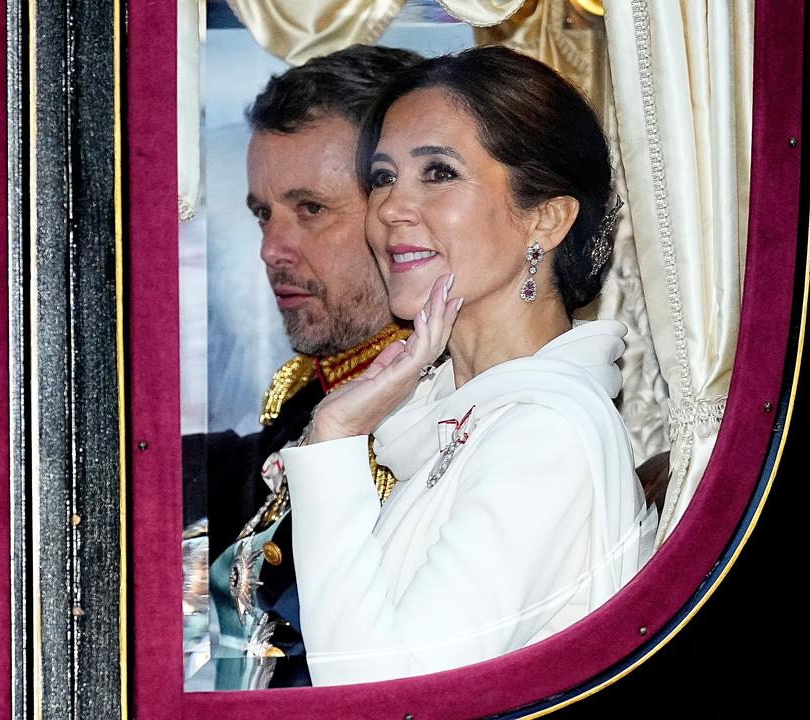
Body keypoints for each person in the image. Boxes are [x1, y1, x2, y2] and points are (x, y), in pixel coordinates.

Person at [280, 46, 659, 687]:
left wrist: (337, 436)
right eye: (382, 177)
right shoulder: (461, 419)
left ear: (545, 217)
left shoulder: (544, 435)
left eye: (438, 173)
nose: (390, 208)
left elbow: (384, 696)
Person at [181, 45, 423, 690]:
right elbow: (245, 476)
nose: (271, 250)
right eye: (264, 213)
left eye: (310, 209)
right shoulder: (316, 390)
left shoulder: (454, 414)